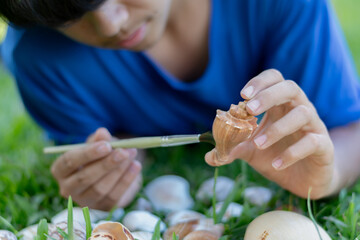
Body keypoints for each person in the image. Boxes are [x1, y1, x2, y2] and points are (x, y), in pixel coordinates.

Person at [1, 0, 360, 211]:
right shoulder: (39, 55)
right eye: (72, 13)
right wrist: (106, 173)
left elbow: (350, 129)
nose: (111, 23)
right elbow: (102, 147)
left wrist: (328, 175)